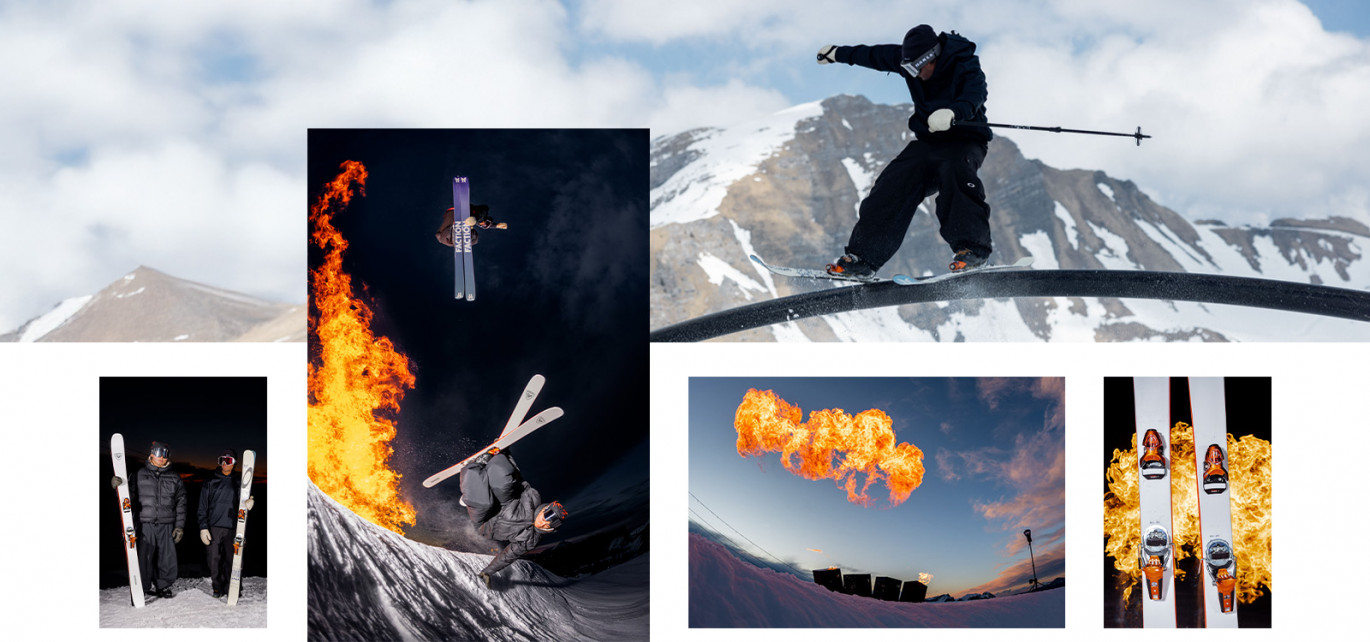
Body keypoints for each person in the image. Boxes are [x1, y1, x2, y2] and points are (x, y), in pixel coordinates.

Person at [817, 24, 994, 277]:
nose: (916, 74)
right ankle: (863, 257)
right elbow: (873, 55)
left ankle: (973, 249)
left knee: (956, 171)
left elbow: (976, 94)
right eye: (909, 69)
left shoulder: (964, 64)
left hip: (965, 141)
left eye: (919, 68)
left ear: (932, 57)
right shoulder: (909, 64)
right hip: (929, 143)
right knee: (892, 182)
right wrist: (836, 53)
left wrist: (954, 113)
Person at [458, 449, 567, 586]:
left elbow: (507, 556)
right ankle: (491, 461)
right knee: (504, 481)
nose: (545, 520)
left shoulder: (530, 540)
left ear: (551, 528)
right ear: (545, 508)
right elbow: (517, 478)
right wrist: (505, 455)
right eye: (548, 514)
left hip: (486, 524)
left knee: (484, 503)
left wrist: (487, 571)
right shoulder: (533, 498)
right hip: (503, 503)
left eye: (551, 522)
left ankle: (472, 469)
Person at [111, 441, 186, 598]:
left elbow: (181, 502)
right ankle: (142, 587)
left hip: (167, 524)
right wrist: (119, 486)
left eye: (165, 454)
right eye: (158, 453)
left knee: (166, 558)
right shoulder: (139, 474)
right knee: (144, 558)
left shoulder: (174, 477)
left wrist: (179, 526)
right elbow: (127, 497)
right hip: (145, 523)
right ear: (151, 454)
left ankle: (163, 586)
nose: (162, 457)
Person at [198, 450, 253, 598]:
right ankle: (217, 587)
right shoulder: (210, 482)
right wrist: (203, 527)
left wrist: (248, 503)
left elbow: (243, 503)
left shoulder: (239, 482)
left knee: (232, 560)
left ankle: (232, 587)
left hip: (233, 527)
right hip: (214, 527)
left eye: (228, 460)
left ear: (234, 463)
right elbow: (202, 506)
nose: (224, 463)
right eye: (222, 459)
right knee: (213, 560)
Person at [435, 204, 507, 247]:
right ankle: (464, 224)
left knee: (474, 238)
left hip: (449, 237)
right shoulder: (472, 212)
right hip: (448, 233)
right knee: (478, 215)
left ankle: (465, 225)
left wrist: (496, 225)